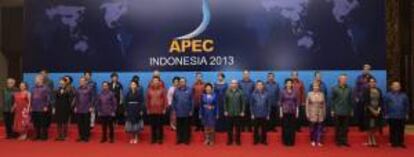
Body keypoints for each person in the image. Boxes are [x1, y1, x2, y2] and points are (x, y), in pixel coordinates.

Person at [384, 81, 410, 148]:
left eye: (398, 86)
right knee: (392, 129)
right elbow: (385, 105)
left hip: (401, 115)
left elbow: (407, 105)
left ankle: (401, 142)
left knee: (401, 129)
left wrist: (407, 113)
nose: (396, 87)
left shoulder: (404, 95)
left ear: (400, 87)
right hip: (391, 115)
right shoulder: (387, 95)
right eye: (395, 86)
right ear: (391, 87)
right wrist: (386, 114)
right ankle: (393, 142)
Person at [331, 74, 353, 147]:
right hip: (337, 111)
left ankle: (344, 141)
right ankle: (338, 141)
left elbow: (350, 100)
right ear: (339, 80)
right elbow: (332, 100)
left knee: (345, 128)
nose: (344, 80)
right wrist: (332, 110)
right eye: (342, 79)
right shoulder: (334, 88)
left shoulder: (349, 88)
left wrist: (351, 110)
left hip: (346, 111)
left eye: (345, 79)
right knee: (338, 127)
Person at [362, 78, 383, 147]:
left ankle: (373, 138)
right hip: (369, 111)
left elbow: (381, 101)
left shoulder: (379, 90)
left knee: (375, 126)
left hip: (377, 110)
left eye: (374, 82)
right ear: (368, 83)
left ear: (375, 83)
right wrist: (373, 111)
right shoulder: (366, 91)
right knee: (370, 126)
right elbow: (366, 102)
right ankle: (370, 139)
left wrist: (378, 110)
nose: (372, 83)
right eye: (371, 82)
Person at [146, 76, 167, 144]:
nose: (155, 82)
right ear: (152, 81)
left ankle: (160, 139)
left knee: (160, 125)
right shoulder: (149, 90)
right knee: (153, 126)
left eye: (157, 80)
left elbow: (165, 100)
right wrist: (148, 108)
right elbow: (147, 100)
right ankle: (153, 139)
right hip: (152, 110)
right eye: (154, 80)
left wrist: (164, 108)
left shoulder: (162, 89)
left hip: (160, 110)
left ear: (159, 81)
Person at [53, 76, 75, 141]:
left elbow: (71, 99)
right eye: (60, 82)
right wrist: (54, 107)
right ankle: (59, 135)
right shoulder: (57, 90)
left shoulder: (69, 90)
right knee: (59, 122)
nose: (61, 83)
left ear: (66, 82)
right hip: (58, 107)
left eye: (62, 82)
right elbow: (55, 99)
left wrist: (70, 107)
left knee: (65, 122)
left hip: (66, 108)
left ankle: (65, 136)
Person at [172, 78, 193, 145]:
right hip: (178, 112)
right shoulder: (176, 90)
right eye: (180, 82)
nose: (182, 83)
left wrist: (191, 110)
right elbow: (174, 101)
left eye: (183, 81)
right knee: (179, 127)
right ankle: (179, 139)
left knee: (186, 127)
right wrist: (174, 110)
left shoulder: (189, 90)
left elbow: (192, 101)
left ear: (185, 82)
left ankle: (186, 140)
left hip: (187, 112)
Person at [354, 64, 375, 131]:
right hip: (360, 97)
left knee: (368, 113)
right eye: (365, 68)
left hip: (369, 98)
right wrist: (356, 97)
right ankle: (361, 127)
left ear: (369, 70)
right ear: (363, 69)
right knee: (360, 113)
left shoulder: (372, 78)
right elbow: (356, 87)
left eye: (368, 69)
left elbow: (374, 87)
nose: (366, 70)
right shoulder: (359, 77)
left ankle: (368, 127)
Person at [224, 80, 246, 146]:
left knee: (238, 129)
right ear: (230, 84)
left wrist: (242, 111)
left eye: (235, 83)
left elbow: (243, 103)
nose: (234, 84)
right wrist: (225, 110)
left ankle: (238, 141)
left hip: (238, 113)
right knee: (229, 129)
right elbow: (225, 102)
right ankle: (230, 140)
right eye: (232, 83)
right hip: (229, 113)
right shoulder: (227, 92)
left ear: (237, 84)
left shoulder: (240, 92)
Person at [31, 75, 51, 141]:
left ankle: (44, 136)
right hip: (34, 108)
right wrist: (31, 106)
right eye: (35, 79)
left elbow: (48, 98)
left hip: (42, 108)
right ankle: (37, 135)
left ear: (41, 79)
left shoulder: (46, 88)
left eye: (36, 79)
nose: (35, 80)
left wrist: (46, 106)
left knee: (43, 123)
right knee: (36, 123)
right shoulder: (33, 88)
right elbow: (31, 98)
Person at [279, 79, 300, 146]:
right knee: (285, 127)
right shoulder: (282, 92)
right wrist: (280, 112)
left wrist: (297, 112)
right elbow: (280, 102)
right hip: (285, 112)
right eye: (287, 83)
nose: (289, 84)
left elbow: (297, 102)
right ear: (285, 84)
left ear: (292, 84)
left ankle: (291, 142)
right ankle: (285, 141)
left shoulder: (295, 92)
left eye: (290, 83)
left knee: (292, 127)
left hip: (293, 112)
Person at [250, 81, 271, 145]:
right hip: (256, 114)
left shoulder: (267, 94)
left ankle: (264, 141)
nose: (259, 86)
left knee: (264, 129)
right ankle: (256, 140)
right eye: (258, 85)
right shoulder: (253, 94)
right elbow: (251, 105)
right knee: (256, 129)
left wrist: (268, 114)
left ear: (263, 86)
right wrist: (252, 114)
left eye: (261, 85)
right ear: (256, 86)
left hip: (264, 114)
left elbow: (268, 105)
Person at [306, 82, 326, 147]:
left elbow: (324, 105)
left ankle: (319, 141)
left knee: (320, 128)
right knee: (312, 129)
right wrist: (307, 113)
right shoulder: (309, 94)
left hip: (320, 113)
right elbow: (307, 105)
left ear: (319, 87)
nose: (316, 87)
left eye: (317, 86)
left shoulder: (322, 94)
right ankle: (313, 140)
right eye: (314, 86)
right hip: (312, 113)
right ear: (312, 87)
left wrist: (324, 113)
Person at [124, 79, 144, 144]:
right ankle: (131, 138)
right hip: (130, 109)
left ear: (136, 86)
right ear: (130, 85)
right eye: (132, 84)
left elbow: (141, 102)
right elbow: (125, 102)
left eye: (134, 84)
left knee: (136, 123)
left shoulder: (139, 93)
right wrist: (126, 110)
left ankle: (136, 137)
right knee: (130, 124)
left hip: (137, 109)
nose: (133, 85)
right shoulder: (128, 93)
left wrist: (141, 110)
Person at [73, 77, 94, 142]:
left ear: (86, 82)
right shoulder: (78, 89)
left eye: (82, 81)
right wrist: (76, 107)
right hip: (79, 109)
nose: (81, 82)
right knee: (80, 124)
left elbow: (92, 98)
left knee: (86, 123)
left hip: (87, 108)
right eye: (80, 81)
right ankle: (81, 136)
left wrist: (91, 107)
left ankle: (86, 137)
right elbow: (76, 99)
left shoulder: (89, 89)